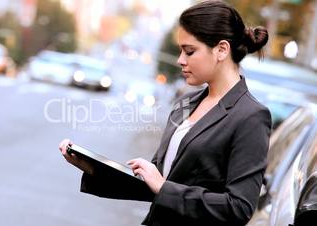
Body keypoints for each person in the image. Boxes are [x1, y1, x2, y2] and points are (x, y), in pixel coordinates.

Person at [59, 1, 271, 225]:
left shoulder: (252, 116)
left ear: (221, 50)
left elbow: (239, 208)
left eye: (189, 51)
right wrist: (94, 169)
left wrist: (163, 187)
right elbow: (155, 186)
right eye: (180, 50)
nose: (180, 59)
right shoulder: (185, 103)